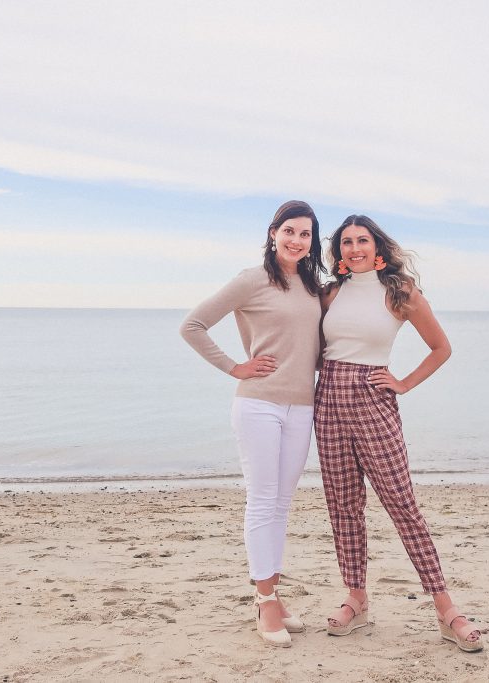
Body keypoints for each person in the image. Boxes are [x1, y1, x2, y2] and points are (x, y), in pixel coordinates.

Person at [315, 214, 483, 652]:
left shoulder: (400, 291)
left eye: (362, 240)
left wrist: (404, 383)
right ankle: (356, 597)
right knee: (344, 504)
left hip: (374, 399)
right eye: (346, 242)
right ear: (339, 255)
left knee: (402, 504)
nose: (354, 248)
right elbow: (314, 350)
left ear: (378, 249)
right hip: (328, 398)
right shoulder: (330, 293)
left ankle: (447, 609)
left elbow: (441, 348)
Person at [179, 200, 325, 648]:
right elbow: (193, 325)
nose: (297, 240)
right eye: (290, 231)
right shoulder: (251, 279)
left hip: (303, 407)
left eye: (305, 234)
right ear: (272, 232)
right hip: (259, 404)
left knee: (281, 505)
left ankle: (274, 595)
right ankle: (264, 601)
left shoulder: (312, 285)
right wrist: (234, 367)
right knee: (263, 502)